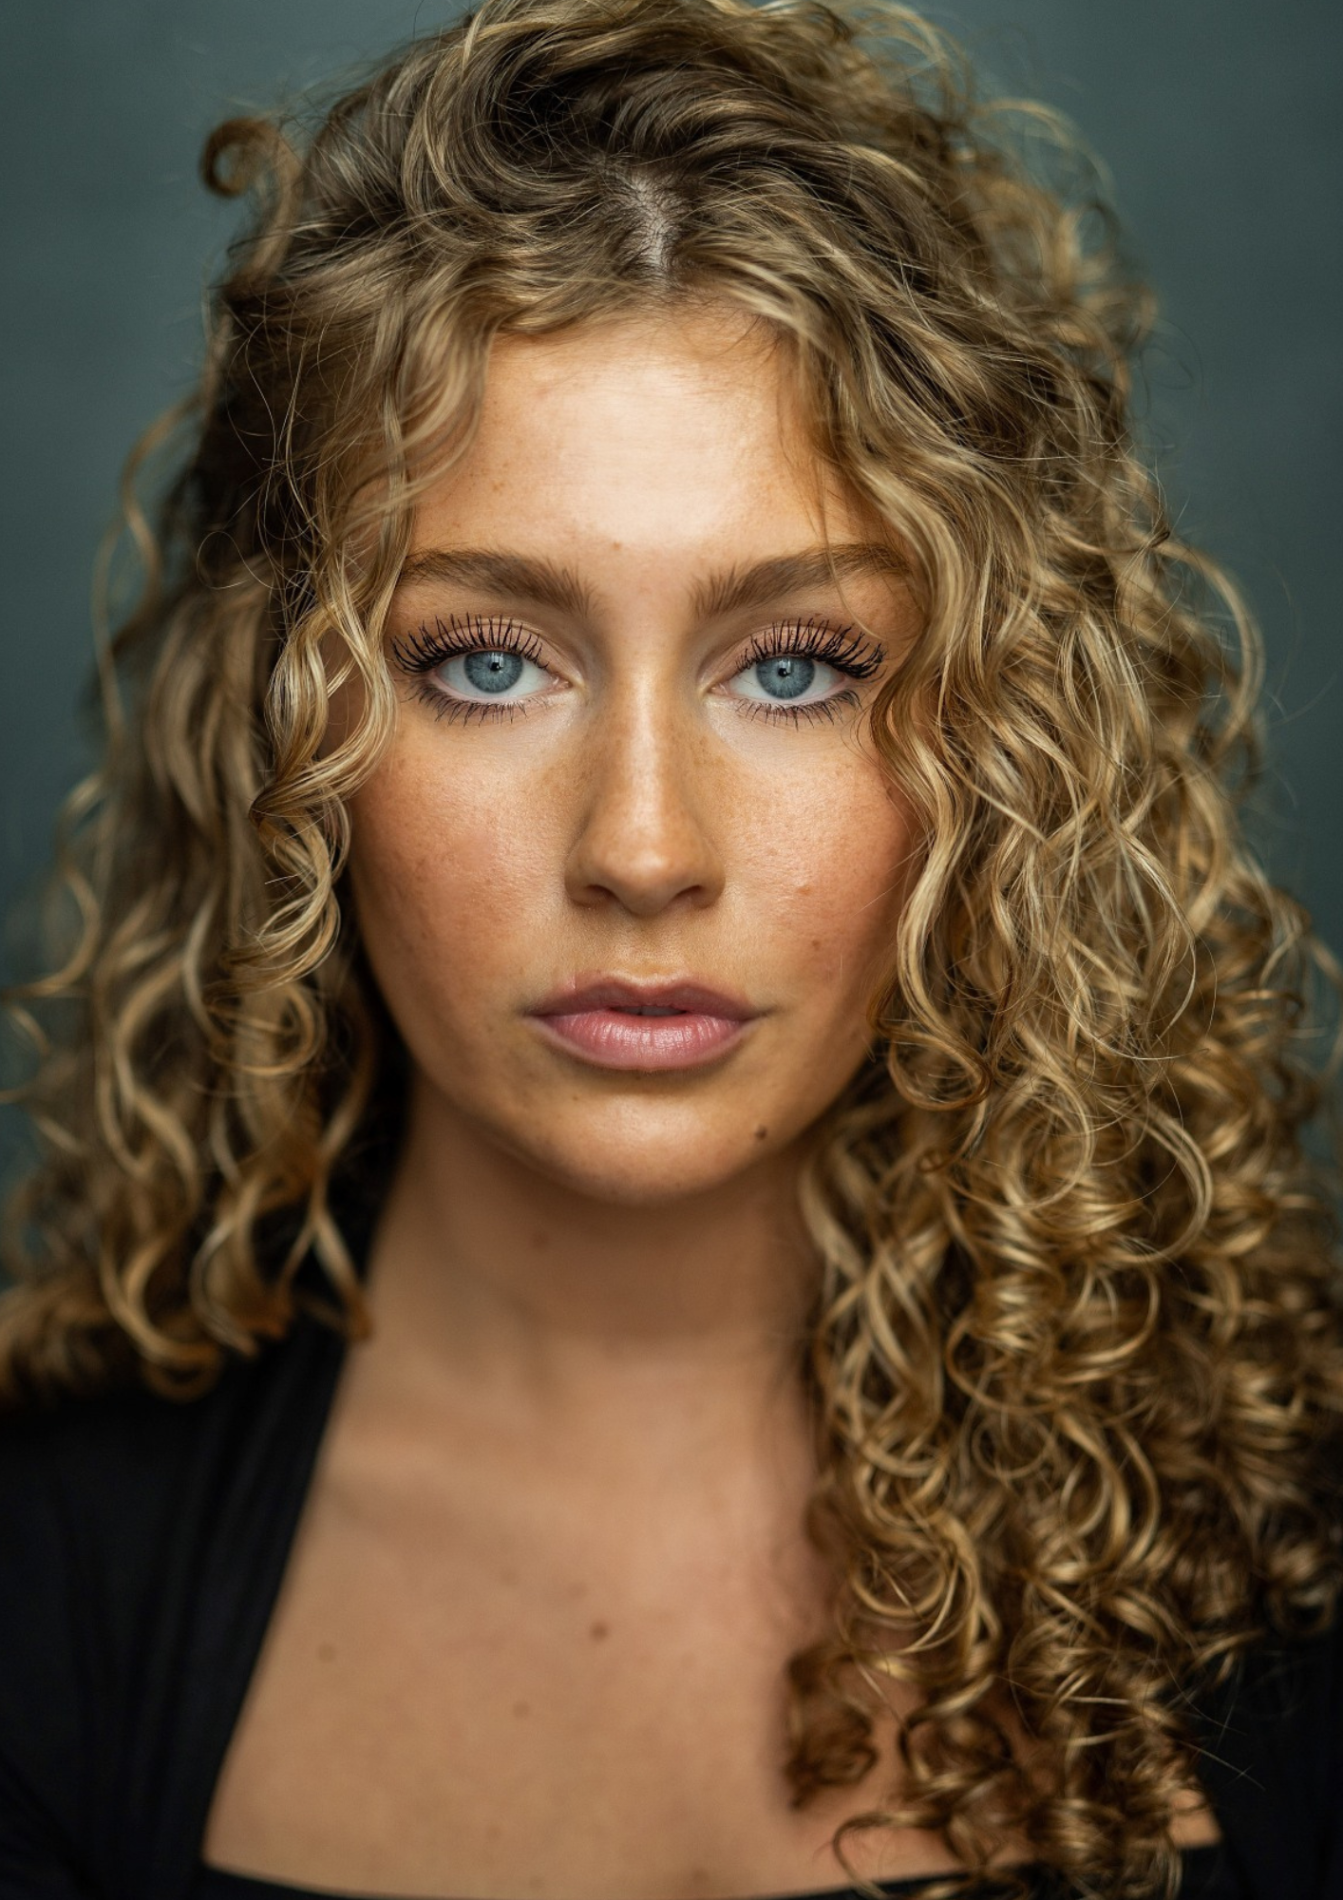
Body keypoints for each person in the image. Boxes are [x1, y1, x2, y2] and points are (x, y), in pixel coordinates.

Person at [1, 1, 1340, 1895]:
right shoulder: (44, 1582)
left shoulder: (1296, 1550)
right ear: (286, 726)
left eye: (795, 668)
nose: (642, 848)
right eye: (484, 659)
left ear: (1003, 738)